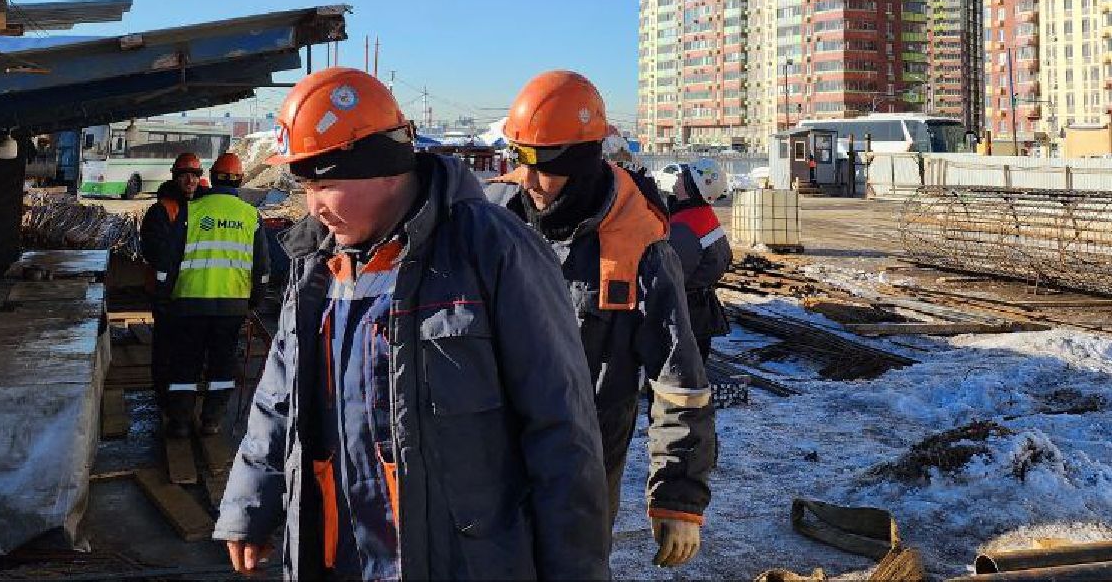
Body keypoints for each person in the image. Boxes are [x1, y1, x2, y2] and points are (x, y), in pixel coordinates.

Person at [214, 68, 610, 581]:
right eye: (304, 185)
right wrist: (250, 502)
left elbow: (562, 429)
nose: (312, 205)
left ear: (383, 169)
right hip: (341, 557)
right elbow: (279, 396)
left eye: (325, 184)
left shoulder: (492, 252)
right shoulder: (318, 264)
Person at [484, 70, 715, 569]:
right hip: (486, 461)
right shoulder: (490, 219)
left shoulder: (639, 247)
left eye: (545, 165)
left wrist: (678, 494)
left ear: (584, 162)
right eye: (520, 160)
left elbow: (679, 381)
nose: (529, 180)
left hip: (582, 470)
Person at [162, 152, 269, 436]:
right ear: (240, 179)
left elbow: (170, 258)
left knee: (185, 361)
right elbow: (262, 267)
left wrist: (164, 294)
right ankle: (212, 420)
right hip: (231, 306)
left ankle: (181, 420)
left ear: (213, 175)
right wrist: (254, 301)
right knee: (222, 363)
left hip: (190, 303)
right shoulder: (250, 216)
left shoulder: (192, 211)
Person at [139, 151, 205, 403]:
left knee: (189, 349)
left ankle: (182, 398)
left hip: (192, 291)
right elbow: (154, 252)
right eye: (185, 175)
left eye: (195, 175)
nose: (190, 181)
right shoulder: (161, 211)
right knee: (166, 347)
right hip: (166, 293)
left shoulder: (200, 208)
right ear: (175, 177)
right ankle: (164, 397)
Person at [654, 161, 732, 363]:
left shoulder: (684, 226)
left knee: (680, 376)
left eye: (682, 177)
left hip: (686, 314)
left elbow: (670, 276)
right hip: (699, 309)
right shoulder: (702, 215)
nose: (677, 179)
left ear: (691, 186)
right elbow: (725, 258)